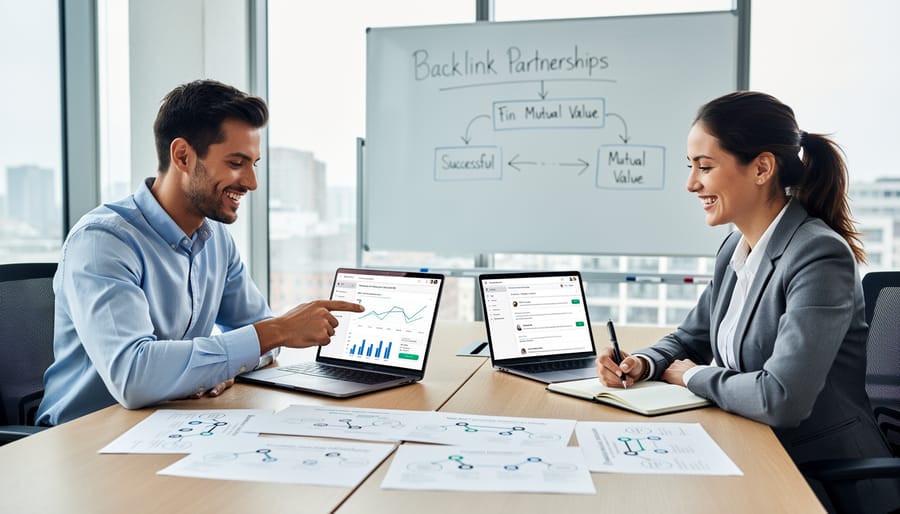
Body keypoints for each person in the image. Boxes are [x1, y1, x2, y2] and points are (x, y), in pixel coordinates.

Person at [596, 91, 899, 513]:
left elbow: (781, 397)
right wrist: (644, 363)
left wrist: (692, 378)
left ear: (761, 168)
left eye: (705, 167)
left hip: (818, 475)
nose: (691, 183)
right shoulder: (736, 249)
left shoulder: (818, 256)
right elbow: (691, 337)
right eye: (691, 167)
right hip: (749, 446)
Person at [36, 80, 363, 426]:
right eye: (237, 162)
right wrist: (271, 333)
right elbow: (134, 376)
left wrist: (216, 365)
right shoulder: (103, 242)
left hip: (166, 427)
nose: (251, 182)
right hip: (85, 438)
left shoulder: (216, 238)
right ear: (183, 156)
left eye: (255, 164)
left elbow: (261, 338)